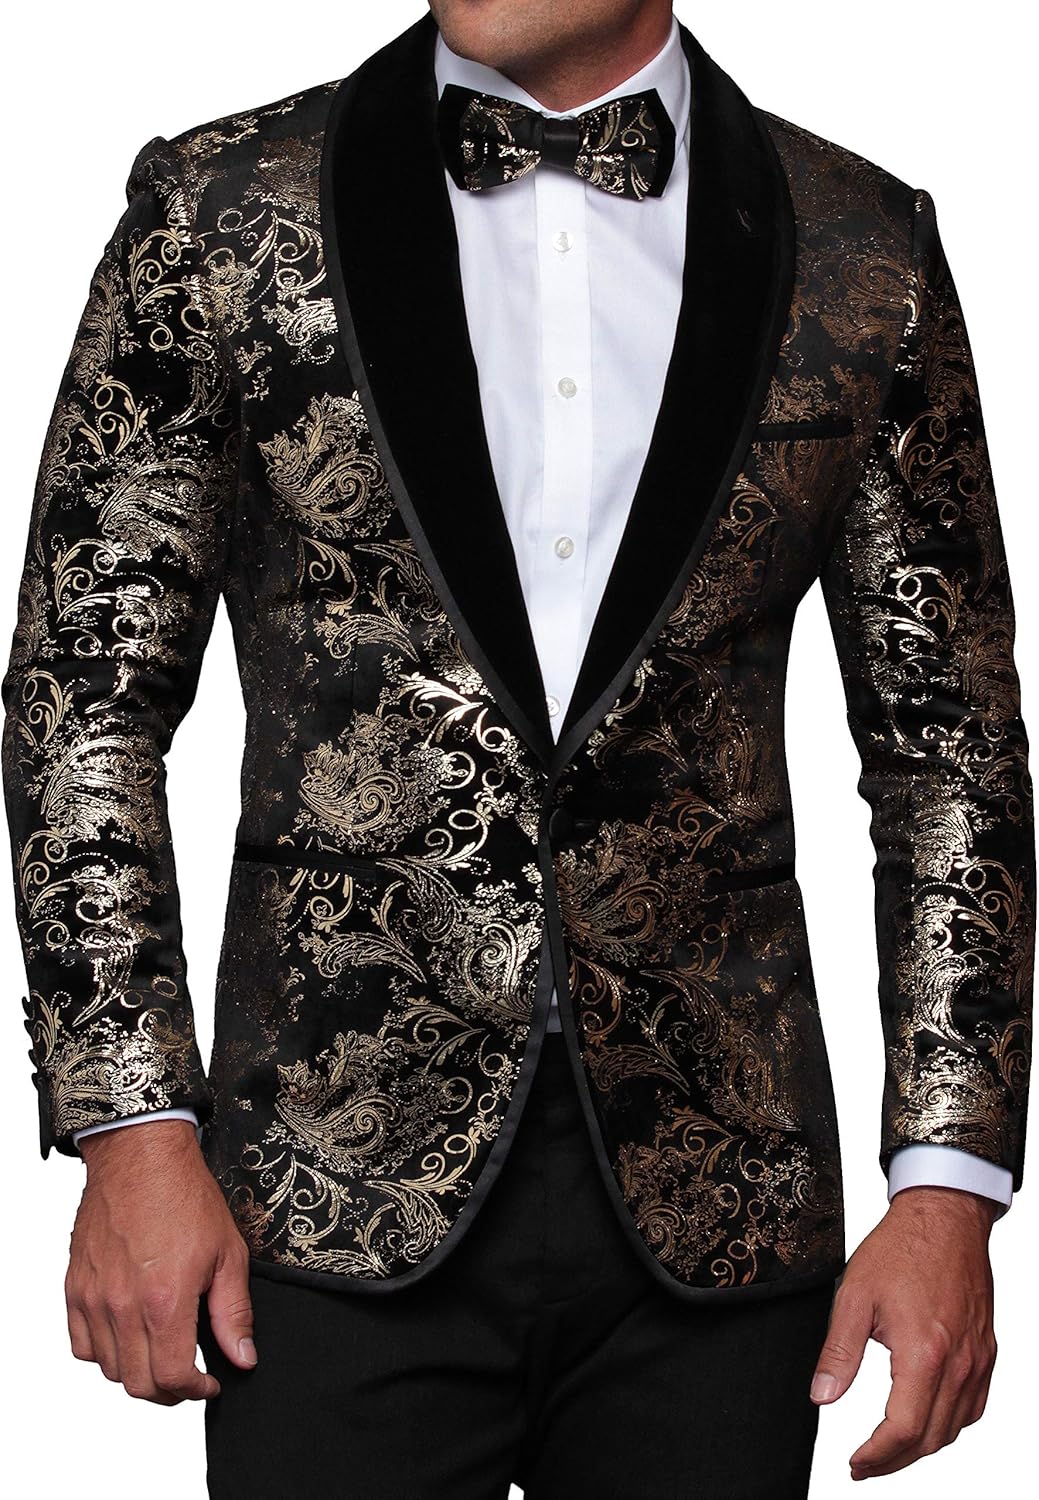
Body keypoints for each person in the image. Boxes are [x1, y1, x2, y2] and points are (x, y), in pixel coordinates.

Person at [2, 2, 1032, 1496]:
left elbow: (949, 749)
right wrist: (131, 1128)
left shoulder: (863, 245)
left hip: (719, 1208)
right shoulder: (217, 211)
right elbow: (84, 691)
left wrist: (949, 1184)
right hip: (323, 1186)